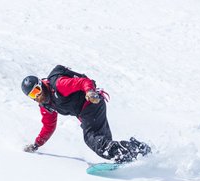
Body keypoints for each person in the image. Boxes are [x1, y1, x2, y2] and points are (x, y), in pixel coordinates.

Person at [20, 65, 151, 163]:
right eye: (32, 95)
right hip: (86, 113)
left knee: (93, 140)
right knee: (104, 144)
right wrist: (37, 144)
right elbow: (48, 126)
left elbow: (82, 82)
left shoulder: (58, 86)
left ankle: (127, 153)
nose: (37, 96)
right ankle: (138, 149)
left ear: (41, 84)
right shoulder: (46, 105)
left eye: (37, 90)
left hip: (91, 103)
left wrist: (89, 92)